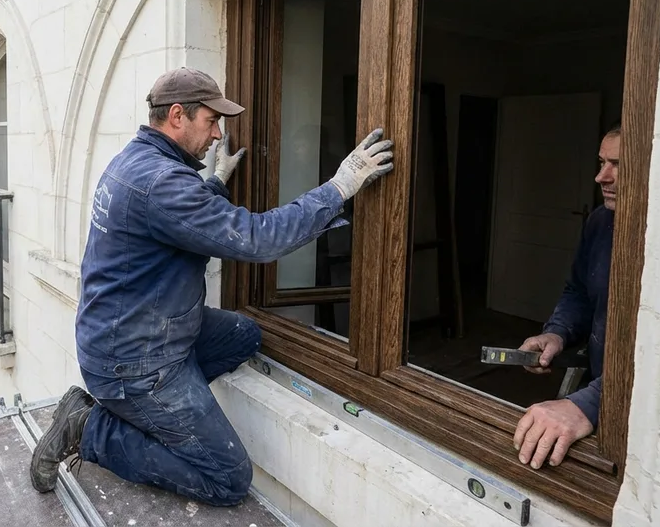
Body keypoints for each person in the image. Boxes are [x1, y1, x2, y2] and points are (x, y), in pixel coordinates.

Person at [29, 67, 396, 505]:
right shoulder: (162, 182)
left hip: (135, 332)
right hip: (135, 362)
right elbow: (258, 238)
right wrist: (339, 187)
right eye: (212, 121)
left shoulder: (135, 161)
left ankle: (156, 414)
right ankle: (90, 429)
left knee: (244, 334)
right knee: (228, 479)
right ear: (178, 116)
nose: (218, 134)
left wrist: (216, 183)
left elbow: (180, 219)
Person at [513, 125, 620, 469]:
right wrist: (557, 332)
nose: (601, 176)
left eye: (617, 165)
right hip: (604, 390)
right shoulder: (600, 221)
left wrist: (588, 404)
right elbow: (579, 292)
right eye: (601, 161)